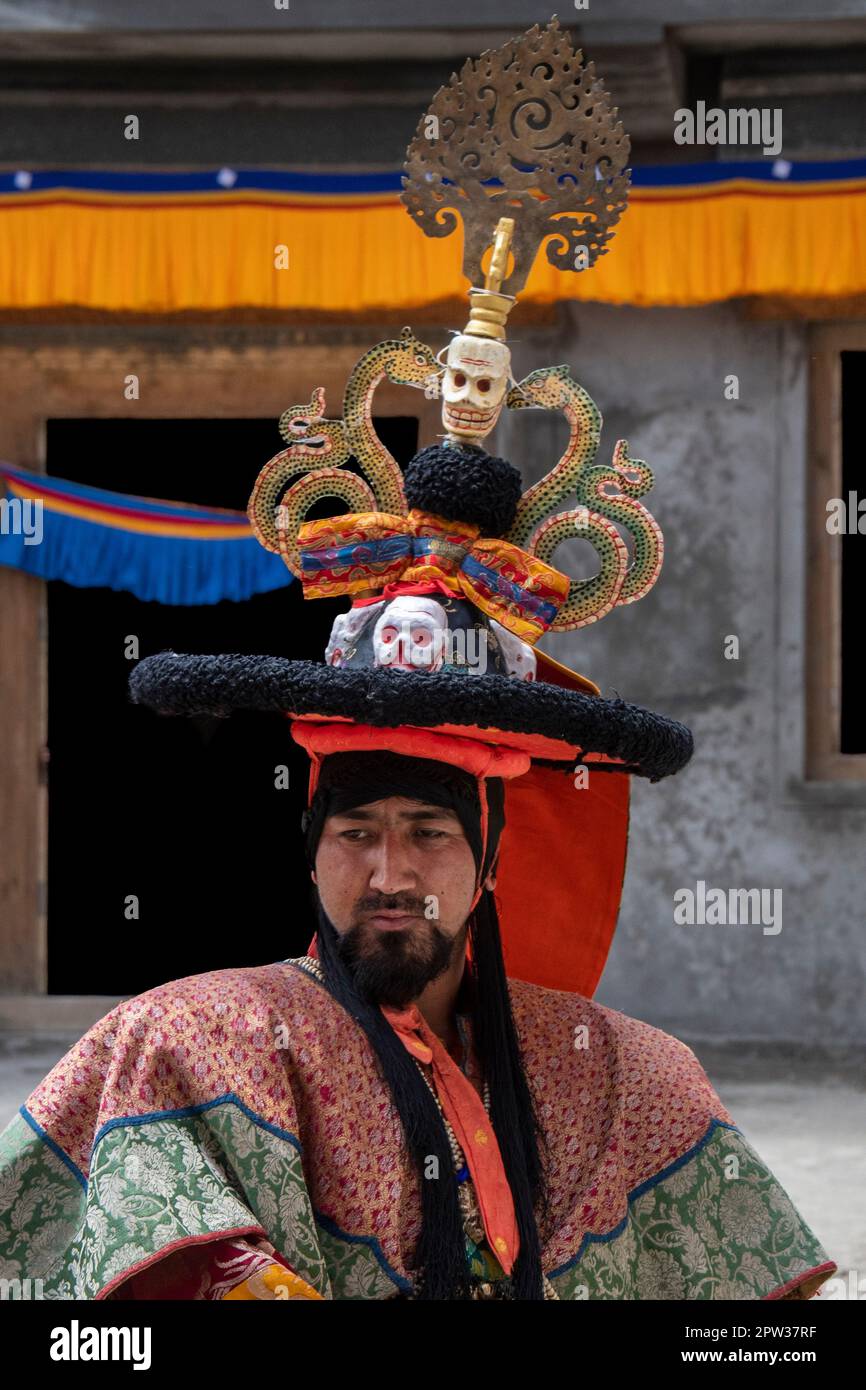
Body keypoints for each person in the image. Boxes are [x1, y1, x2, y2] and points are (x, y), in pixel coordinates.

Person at [0, 18, 837, 1302]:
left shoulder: (624, 1077)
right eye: (357, 829)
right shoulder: (189, 1042)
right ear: (308, 839)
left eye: (430, 833)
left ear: (496, 849)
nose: (388, 870)